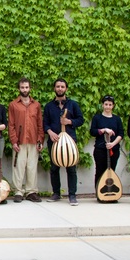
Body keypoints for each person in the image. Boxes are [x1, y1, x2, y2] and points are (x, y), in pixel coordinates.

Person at [43, 78, 84, 206]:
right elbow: (45, 123)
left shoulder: (73, 105)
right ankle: (56, 193)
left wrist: (70, 122)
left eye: (62, 86)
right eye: (58, 86)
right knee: (54, 168)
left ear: (66, 88)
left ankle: (72, 195)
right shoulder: (49, 106)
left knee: (71, 167)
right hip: (54, 140)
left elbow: (81, 120)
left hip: (69, 140)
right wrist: (50, 132)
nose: (60, 88)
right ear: (54, 88)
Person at [8, 77, 44, 203]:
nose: (24, 89)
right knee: (19, 166)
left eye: (26, 87)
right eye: (22, 87)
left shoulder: (36, 105)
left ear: (30, 88)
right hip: (19, 140)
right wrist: (13, 141)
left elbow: (40, 124)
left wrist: (40, 140)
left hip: (34, 140)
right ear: (19, 89)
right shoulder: (13, 105)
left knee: (32, 167)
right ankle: (18, 191)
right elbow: (11, 125)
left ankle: (31, 191)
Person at [89, 95, 123, 203]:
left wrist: (113, 143)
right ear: (102, 105)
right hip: (100, 150)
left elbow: (121, 133)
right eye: (106, 104)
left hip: (114, 149)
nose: (108, 106)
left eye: (110, 104)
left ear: (113, 106)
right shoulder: (97, 118)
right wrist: (104, 130)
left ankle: (112, 194)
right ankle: (100, 194)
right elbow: (92, 132)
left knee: (111, 171)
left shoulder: (117, 119)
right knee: (100, 171)